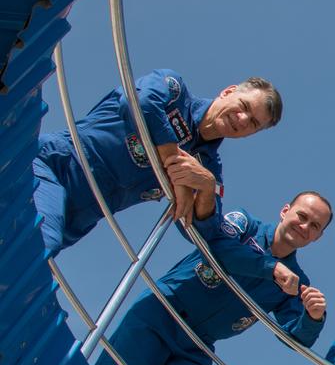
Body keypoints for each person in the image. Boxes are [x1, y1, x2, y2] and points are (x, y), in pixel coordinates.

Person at [94, 192, 331, 365]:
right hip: (161, 312)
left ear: (317, 238)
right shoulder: (244, 223)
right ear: (285, 211)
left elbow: (295, 337)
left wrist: (313, 317)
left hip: (197, 347)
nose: (304, 226)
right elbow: (218, 246)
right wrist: (269, 268)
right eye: (302, 216)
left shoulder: (298, 282)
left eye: (315, 226)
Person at [33, 69, 282, 256]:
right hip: (54, 169)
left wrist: (205, 187)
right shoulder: (174, 91)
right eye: (244, 106)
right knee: (37, 243)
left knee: (30, 263)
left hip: (80, 217)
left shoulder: (206, 168)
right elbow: (139, 102)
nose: (241, 119)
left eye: (252, 123)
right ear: (228, 92)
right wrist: (171, 156)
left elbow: (204, 232)